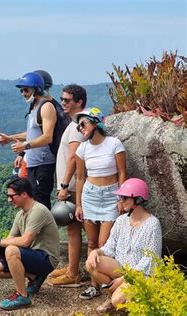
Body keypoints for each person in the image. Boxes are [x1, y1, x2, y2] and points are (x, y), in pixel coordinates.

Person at [85, 178, 162, 312]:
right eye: (121, 197)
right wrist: (96, 252)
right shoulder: (121, 220)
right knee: (90, 263)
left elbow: (150, 261)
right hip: (122, 268)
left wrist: (124, 279)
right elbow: (110, 247)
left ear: (138, 200)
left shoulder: (153, 224)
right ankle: (112, 297)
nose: (120, 201)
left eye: (125, 197)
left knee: (118, 301)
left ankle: (127, 304)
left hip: (141, 275)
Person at [74, 107, 127, 300]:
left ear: (95, 122)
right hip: (90, 195)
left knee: (103, 244)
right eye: (78, 125)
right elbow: (80, 178)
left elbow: (122, 172)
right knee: (92, 242)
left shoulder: (114, 144)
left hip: (111, 195)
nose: (80, 128)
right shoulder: (82, 149)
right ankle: (93, 286)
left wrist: (122, 197)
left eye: (83, 123)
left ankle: (110, 285)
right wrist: (78, 204)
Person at [0, 177, 60, 310]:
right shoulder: (20, 214)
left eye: (12, 196)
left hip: (47, 258)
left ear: (24, 194)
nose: (9, 200)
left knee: (11, 250)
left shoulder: (38, 211)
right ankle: (34, 276)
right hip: (33, 256)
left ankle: (22, 296)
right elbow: (10, 238)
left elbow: (25, 241)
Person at [0, 71, 57, 209]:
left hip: (43, 164)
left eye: (26, 90)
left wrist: (25, 147)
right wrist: (10, 138)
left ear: (37, 89)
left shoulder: (46, 107)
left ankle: (42, 230)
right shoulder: (34, 107)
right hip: (32, 164)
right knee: (31, 203)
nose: (23, 93)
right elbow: (32, 133)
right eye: (21, 91)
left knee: (40, 203)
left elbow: (48, 136)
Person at [47, 84, 87, 287]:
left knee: (73, 229)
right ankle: (73, 268)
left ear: (79, 102)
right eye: (62, 99)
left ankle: (73, 273)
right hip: (70, 185)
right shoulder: (74, 124)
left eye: (67, 100)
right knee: (73, 230)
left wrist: (63, 185)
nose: (62, 103)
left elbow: (73, 157)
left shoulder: (78, 127)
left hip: (72, 186)